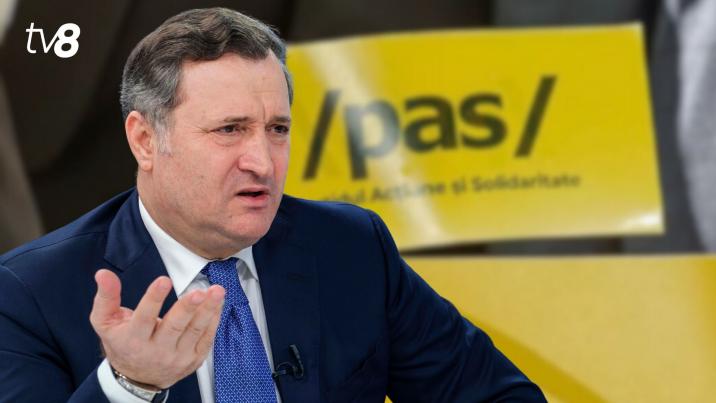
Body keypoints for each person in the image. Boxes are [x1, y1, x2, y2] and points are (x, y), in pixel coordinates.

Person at [0, 7, 545, 403]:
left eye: (278, 129)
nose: (262, 161)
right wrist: (130, 385)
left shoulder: (351, 247)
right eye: (230, 130)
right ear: (145, 140)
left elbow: (500, 395)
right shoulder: (28, 293)